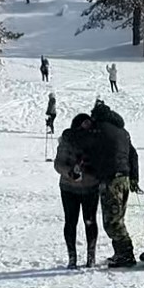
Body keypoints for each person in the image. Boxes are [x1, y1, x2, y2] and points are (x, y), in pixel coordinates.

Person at [89, 100, 140, 267]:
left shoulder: (99, 130)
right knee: (118, 218)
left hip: (111, 180)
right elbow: (133, 155)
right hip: (124, 178)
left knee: (112, 221)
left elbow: (91, 153)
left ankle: (126, 255)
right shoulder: (122, 131)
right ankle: (121, 253)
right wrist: (134, 178)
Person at [54, 113, 101, 269]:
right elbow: (58, 164)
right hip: (75, 187)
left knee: (83, 221)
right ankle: (76, 257)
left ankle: (86, 257)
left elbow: (59, 164)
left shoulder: (88, 139)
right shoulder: (74, 139)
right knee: (77, 222)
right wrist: (70, 172)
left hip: (83, 187)